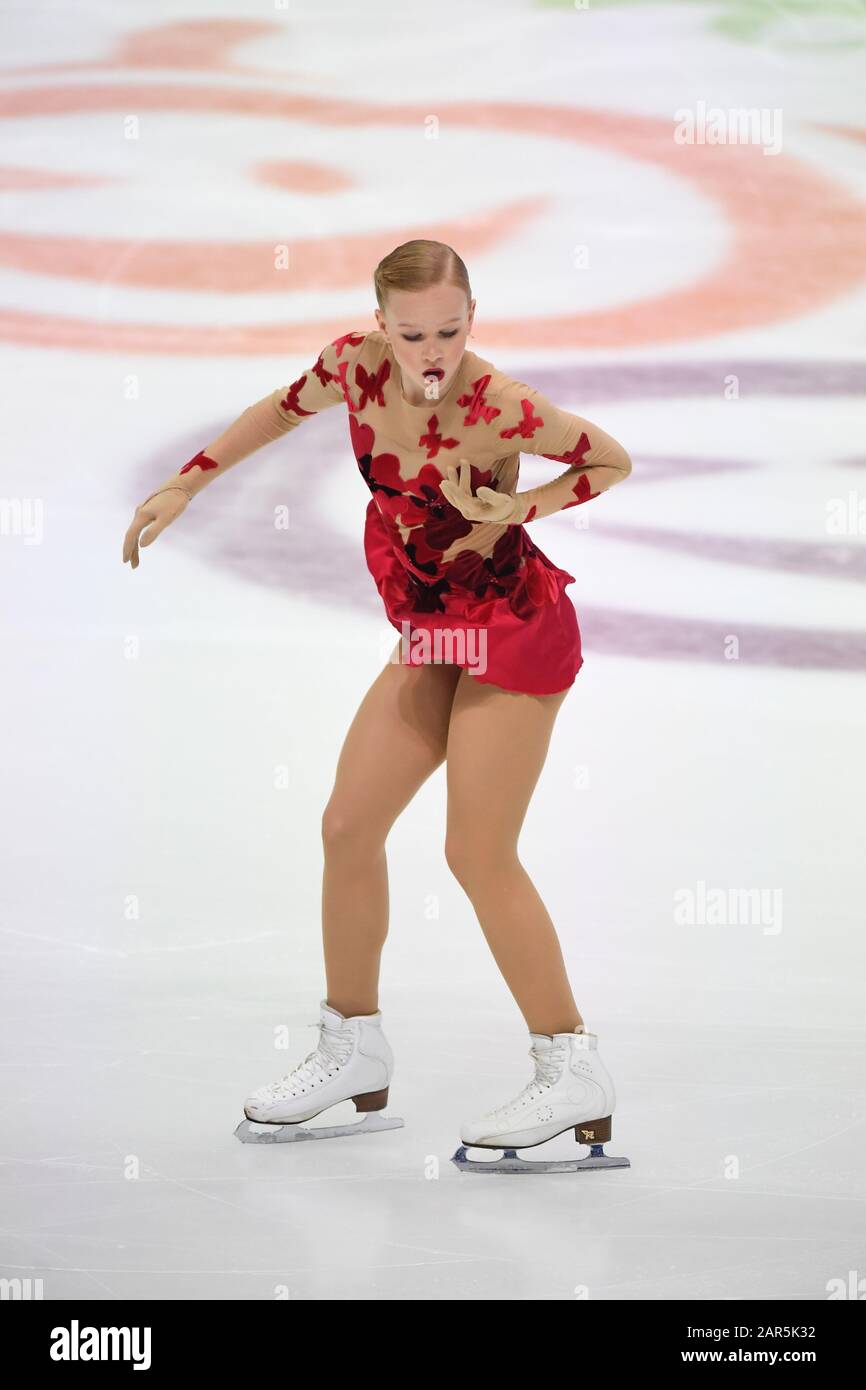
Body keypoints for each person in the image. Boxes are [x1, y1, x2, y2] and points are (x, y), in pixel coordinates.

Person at [123, 240, 633, 1171]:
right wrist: (187, 482)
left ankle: (572, 1068)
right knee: (348, 823)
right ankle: (354, 1047)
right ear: (380, 325)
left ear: (471, 318)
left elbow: (608, 460)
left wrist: (520, 511)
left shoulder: (499, 403)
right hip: (436, 625)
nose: (432, 351)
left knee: (476, 850)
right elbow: (276, 411)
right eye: (413, 333)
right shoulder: (352, 370)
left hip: (514, 628)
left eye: (449, 329)